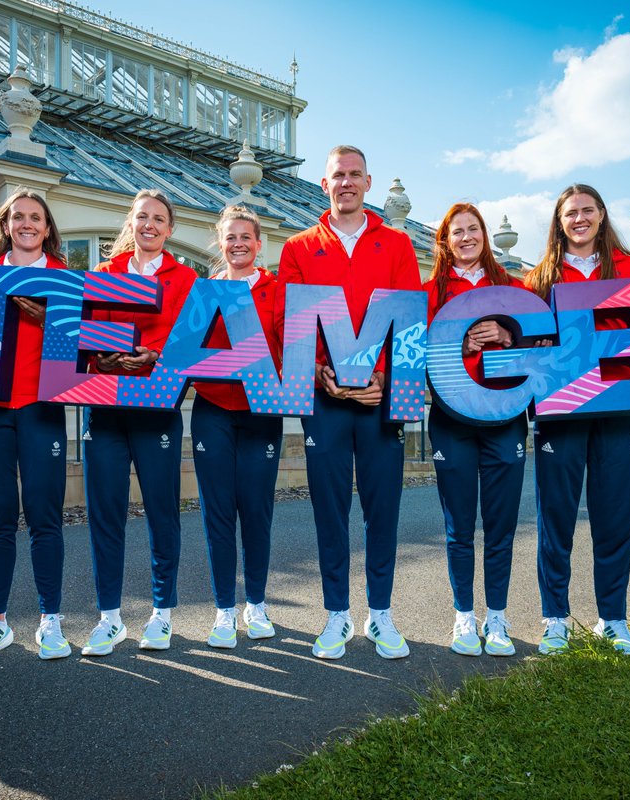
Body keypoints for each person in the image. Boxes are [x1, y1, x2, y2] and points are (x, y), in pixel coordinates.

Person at [276, 145, 422, 660]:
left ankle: (380, 614)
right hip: (325, 400)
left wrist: (382, 375)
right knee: (330, 511)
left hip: (383, 400)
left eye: (355, 175)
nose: (347, 183)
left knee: (383, 510)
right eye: (338, 175)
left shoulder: (398, 244)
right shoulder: (298, 246)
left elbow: (409, 321)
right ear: (324, 184)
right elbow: (287, 321)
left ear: (368, 183)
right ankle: (336, 613)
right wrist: (322, 372)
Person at [524, 183, 630, 656]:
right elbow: (532, 346)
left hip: (618, 410)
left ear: (601, 215)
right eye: (570, 212)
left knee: (615, 516)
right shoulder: (540, 278)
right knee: (556, 518)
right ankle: (555, 618)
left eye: (587, 211)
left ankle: (612, 619)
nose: (579, 219)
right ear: (559, 221)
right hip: (562, 413)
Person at [81, 189, 197, 655]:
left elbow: (191, 340)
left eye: (159, 219)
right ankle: (109, 618)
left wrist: (159, 355)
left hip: (158, 409)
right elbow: (81, 333)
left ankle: (161, 613)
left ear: (169, 229)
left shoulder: (186, 278)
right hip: (106, 409)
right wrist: (100, 353)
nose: (149, 225)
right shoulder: (103, 275)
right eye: (142, 217)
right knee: (105, 515)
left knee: (162, 513)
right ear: (131, 223)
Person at [0, 190, 70, 664]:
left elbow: (81, 344)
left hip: (43, 407)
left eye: (36, 218)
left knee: (45, 518)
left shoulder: (65, 278)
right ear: (6, 225)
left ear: (47, 228)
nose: (27, 224)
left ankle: (51, 620)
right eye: (18, 217)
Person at [424, 203, 525, 658]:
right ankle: (464, 614)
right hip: (453, 422)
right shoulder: (429, 293)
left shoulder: (515, 290)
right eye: (456, 232)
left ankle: (498, 617)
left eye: (473, 229)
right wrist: (458, 342)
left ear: (485, 234)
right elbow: (416, 360)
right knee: (458, 526)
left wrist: (508, 337)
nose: (465, 237)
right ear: (444, 242)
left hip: (505, 422)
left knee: (500, 526)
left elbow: (544, 356)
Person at [191, 206, 283, 648]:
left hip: (261, 414)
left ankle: (258, 604)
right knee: (219, 513)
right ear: (220, 242)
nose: (239, 244)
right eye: (231, 237)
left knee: (257, 510)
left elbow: (290, 348)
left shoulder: (278, 290)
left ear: (258, 243)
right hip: (212, 410)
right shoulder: (205, 292)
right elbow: (186, 352)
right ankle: (224, 609)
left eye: (246, 236)